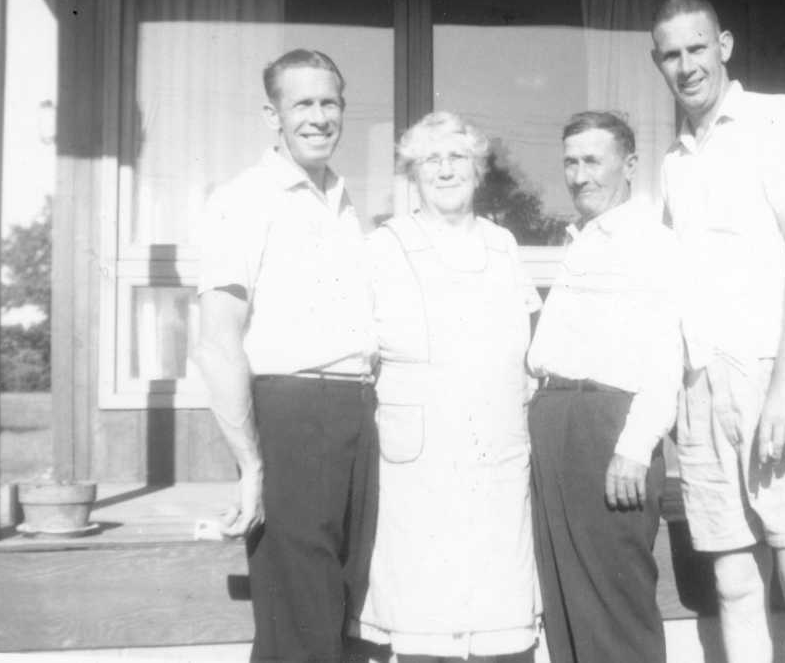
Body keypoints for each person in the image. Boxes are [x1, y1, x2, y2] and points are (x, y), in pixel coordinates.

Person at [650, 0, 785, 663]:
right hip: (703, 386)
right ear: (658, 63)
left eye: (697, 48)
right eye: (671, 55)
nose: (687, 66)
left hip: (778, 373)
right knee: (735, 583)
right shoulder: (674, 161)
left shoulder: (778, 119)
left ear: (725, 46)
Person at [194, 48, 378, 662]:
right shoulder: (243, 199)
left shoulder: (345, 203)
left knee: (350, 606)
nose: (319, 117)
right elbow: (218, 342)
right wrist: (251, 465)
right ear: (272, 116)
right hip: (293, 413)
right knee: (299, 615)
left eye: (330, 103)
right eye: (303, 104)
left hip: (359, 409)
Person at [352, 111, 541, 663]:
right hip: (420, 457)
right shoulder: (384, 245)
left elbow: (527, 348)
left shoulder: (502, 244)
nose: (445, 170)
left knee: (496, 603)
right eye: (430, 159)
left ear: (478, 170)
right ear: (412, 173)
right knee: (424, 607)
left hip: (495, 450)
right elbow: (361, 352)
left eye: (457, 157)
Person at [526, 111, 683, 663]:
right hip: (556, 422)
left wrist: (635, 448)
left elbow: (666, 356)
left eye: (593, 160)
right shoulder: (581, 240)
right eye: (570, 162)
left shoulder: (651, 242)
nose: (579, 175)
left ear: (630, 165)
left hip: (609, 431)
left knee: (616, 610)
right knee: (566, 606)